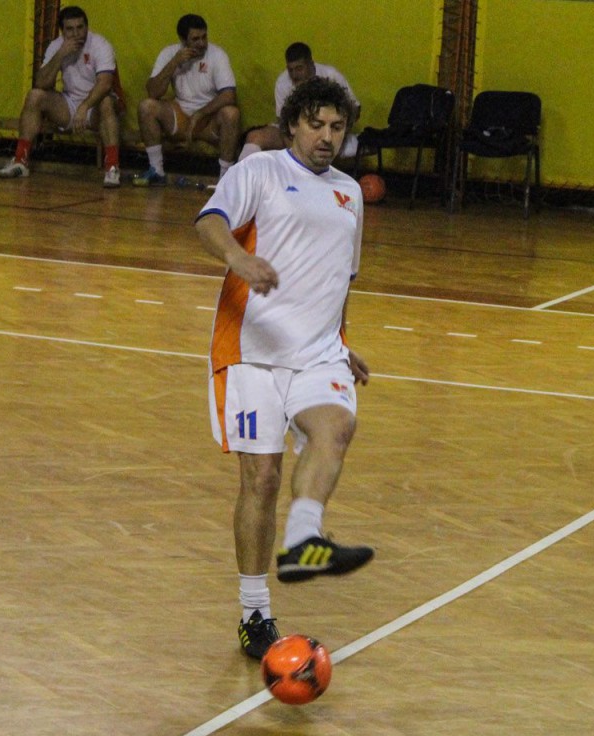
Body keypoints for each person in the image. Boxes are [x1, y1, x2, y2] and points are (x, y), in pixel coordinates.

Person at [195, 77, 375, 660]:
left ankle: (303, 539)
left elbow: (340, 279)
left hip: (319, 352)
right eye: (316, 124)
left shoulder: (350, 193)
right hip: (251, 352)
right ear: (294, 123)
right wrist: (238, 257)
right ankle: (255, 614)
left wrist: (342, 340)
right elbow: (208, 221)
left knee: (336, 428)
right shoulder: (260, 170)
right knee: (263, 478)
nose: (327, 137)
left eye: (337, 127)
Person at [0, 6, 125, 188]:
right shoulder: (57, 46)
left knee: (106, 102)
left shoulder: (100, 45)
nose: (76, 34)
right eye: (70, 29)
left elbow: (105, 84)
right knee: (34, 96)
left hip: (96, 107)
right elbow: (41, 83)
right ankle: (20, 161)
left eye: (80, 27)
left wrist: (85, 106)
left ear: (87, 27)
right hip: (70, 105)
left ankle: (112, 167)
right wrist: (60, 55)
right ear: (62, 31)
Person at [134, 14, 240, 187]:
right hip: (180, 117)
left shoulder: (217, 54)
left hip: (208, 120)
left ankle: (225, 178)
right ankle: (156, 170)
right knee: (146, 106)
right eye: (195, 39)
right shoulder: (169, 53)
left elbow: (229, 95)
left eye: (204, 37)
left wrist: (200, 113)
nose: (202, 43)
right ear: (183, 40)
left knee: (231, 113)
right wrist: (174, 63)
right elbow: (153, 92)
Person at [238, 42, 360, 162]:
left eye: (299, 68)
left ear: (311, 64)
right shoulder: (282, 83)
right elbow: (283, 124)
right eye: (290, 70)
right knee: (254, 137)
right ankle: (237, 173)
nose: (294, 75)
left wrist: (338, 132)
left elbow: (355, 109)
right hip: (294, 133)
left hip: (327, 131)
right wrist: (294, 154)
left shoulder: (331, 76)